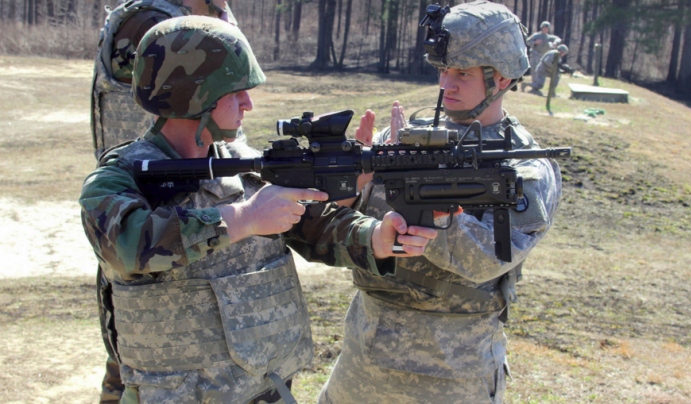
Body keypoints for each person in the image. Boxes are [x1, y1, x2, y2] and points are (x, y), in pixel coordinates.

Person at [80, 16, 438, 404]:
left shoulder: (250, 167)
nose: (248, 104)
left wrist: (377, 237)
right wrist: (244, 218)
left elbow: (315, 224)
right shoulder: (119, 178)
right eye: (235, 93)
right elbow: (128, 245)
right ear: (193, 97)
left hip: (265, 390)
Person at [319, 2, 563, 403]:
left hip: (452, 370)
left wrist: (425, 208)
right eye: (442, 71)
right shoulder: (399, 142)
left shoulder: (526, 166)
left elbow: (490, 258)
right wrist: (351, 184)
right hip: (364, 358)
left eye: (462, 74)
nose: (445, 85)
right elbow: (343, 229)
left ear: (501, 78)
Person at [90, 2, 239, 403]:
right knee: (142, 348)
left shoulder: (200, 17)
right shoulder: (157, 25)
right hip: (147, 191)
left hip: (189, 182)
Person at [91, 0, 238, 159]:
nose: (225, 3)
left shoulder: (174, 21)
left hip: (160, 160)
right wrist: (228, 40)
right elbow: (208, 87)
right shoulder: (157, 24)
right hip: (145, 165)